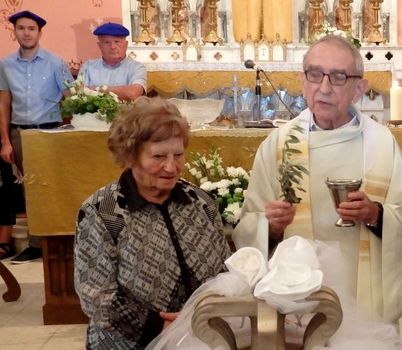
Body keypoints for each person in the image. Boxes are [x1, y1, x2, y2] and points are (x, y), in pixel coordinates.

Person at [233, 35, 402, 323]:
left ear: (358, 89)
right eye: (315, 74)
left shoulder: (381, 144)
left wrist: (375, 215)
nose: (324, 88)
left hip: (363, 296)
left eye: (338, 77)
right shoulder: (279, 145)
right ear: (303, 81)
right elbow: (247, 227)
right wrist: (270, 227)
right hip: (295, 298)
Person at [74, 97, 230, 349]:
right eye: (158, 156)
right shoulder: (103, 211)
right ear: (131, 155)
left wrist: (207, 316)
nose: (171, 166)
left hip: (203, 334)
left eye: (178, 154)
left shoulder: (201, 203)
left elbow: (225, 271)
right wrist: (162, 328)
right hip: (129, 342)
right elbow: (97, 295)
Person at [1, 10, 73, 264]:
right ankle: (35, 243)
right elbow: (4, 102)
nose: (26, 33)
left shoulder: (56, 62)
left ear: (39, 32)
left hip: (50, 132)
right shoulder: (5, 65)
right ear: (15, 32)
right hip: (21, 132)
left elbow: (70, 97)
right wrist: (5, 141)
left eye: (31, 28)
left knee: (51, 186)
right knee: (29, 189)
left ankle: (55, 241)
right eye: (21, 28)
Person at [78, 22, 146, 102]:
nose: (113, 47)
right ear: (99, 46)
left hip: (126, 113)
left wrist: (95, 89)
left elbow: (133, 93)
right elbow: (79, 93)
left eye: (117, 42)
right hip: (93, 114)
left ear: (126, 44)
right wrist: (121, 92)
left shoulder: (136, 67)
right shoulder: (88, 66)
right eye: (107, 42)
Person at [0, 61, 17, 259]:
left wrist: (5, 140)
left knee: (4, 188)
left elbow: (4, 102)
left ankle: (4, 241)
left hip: (4, 132)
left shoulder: (4, 66)